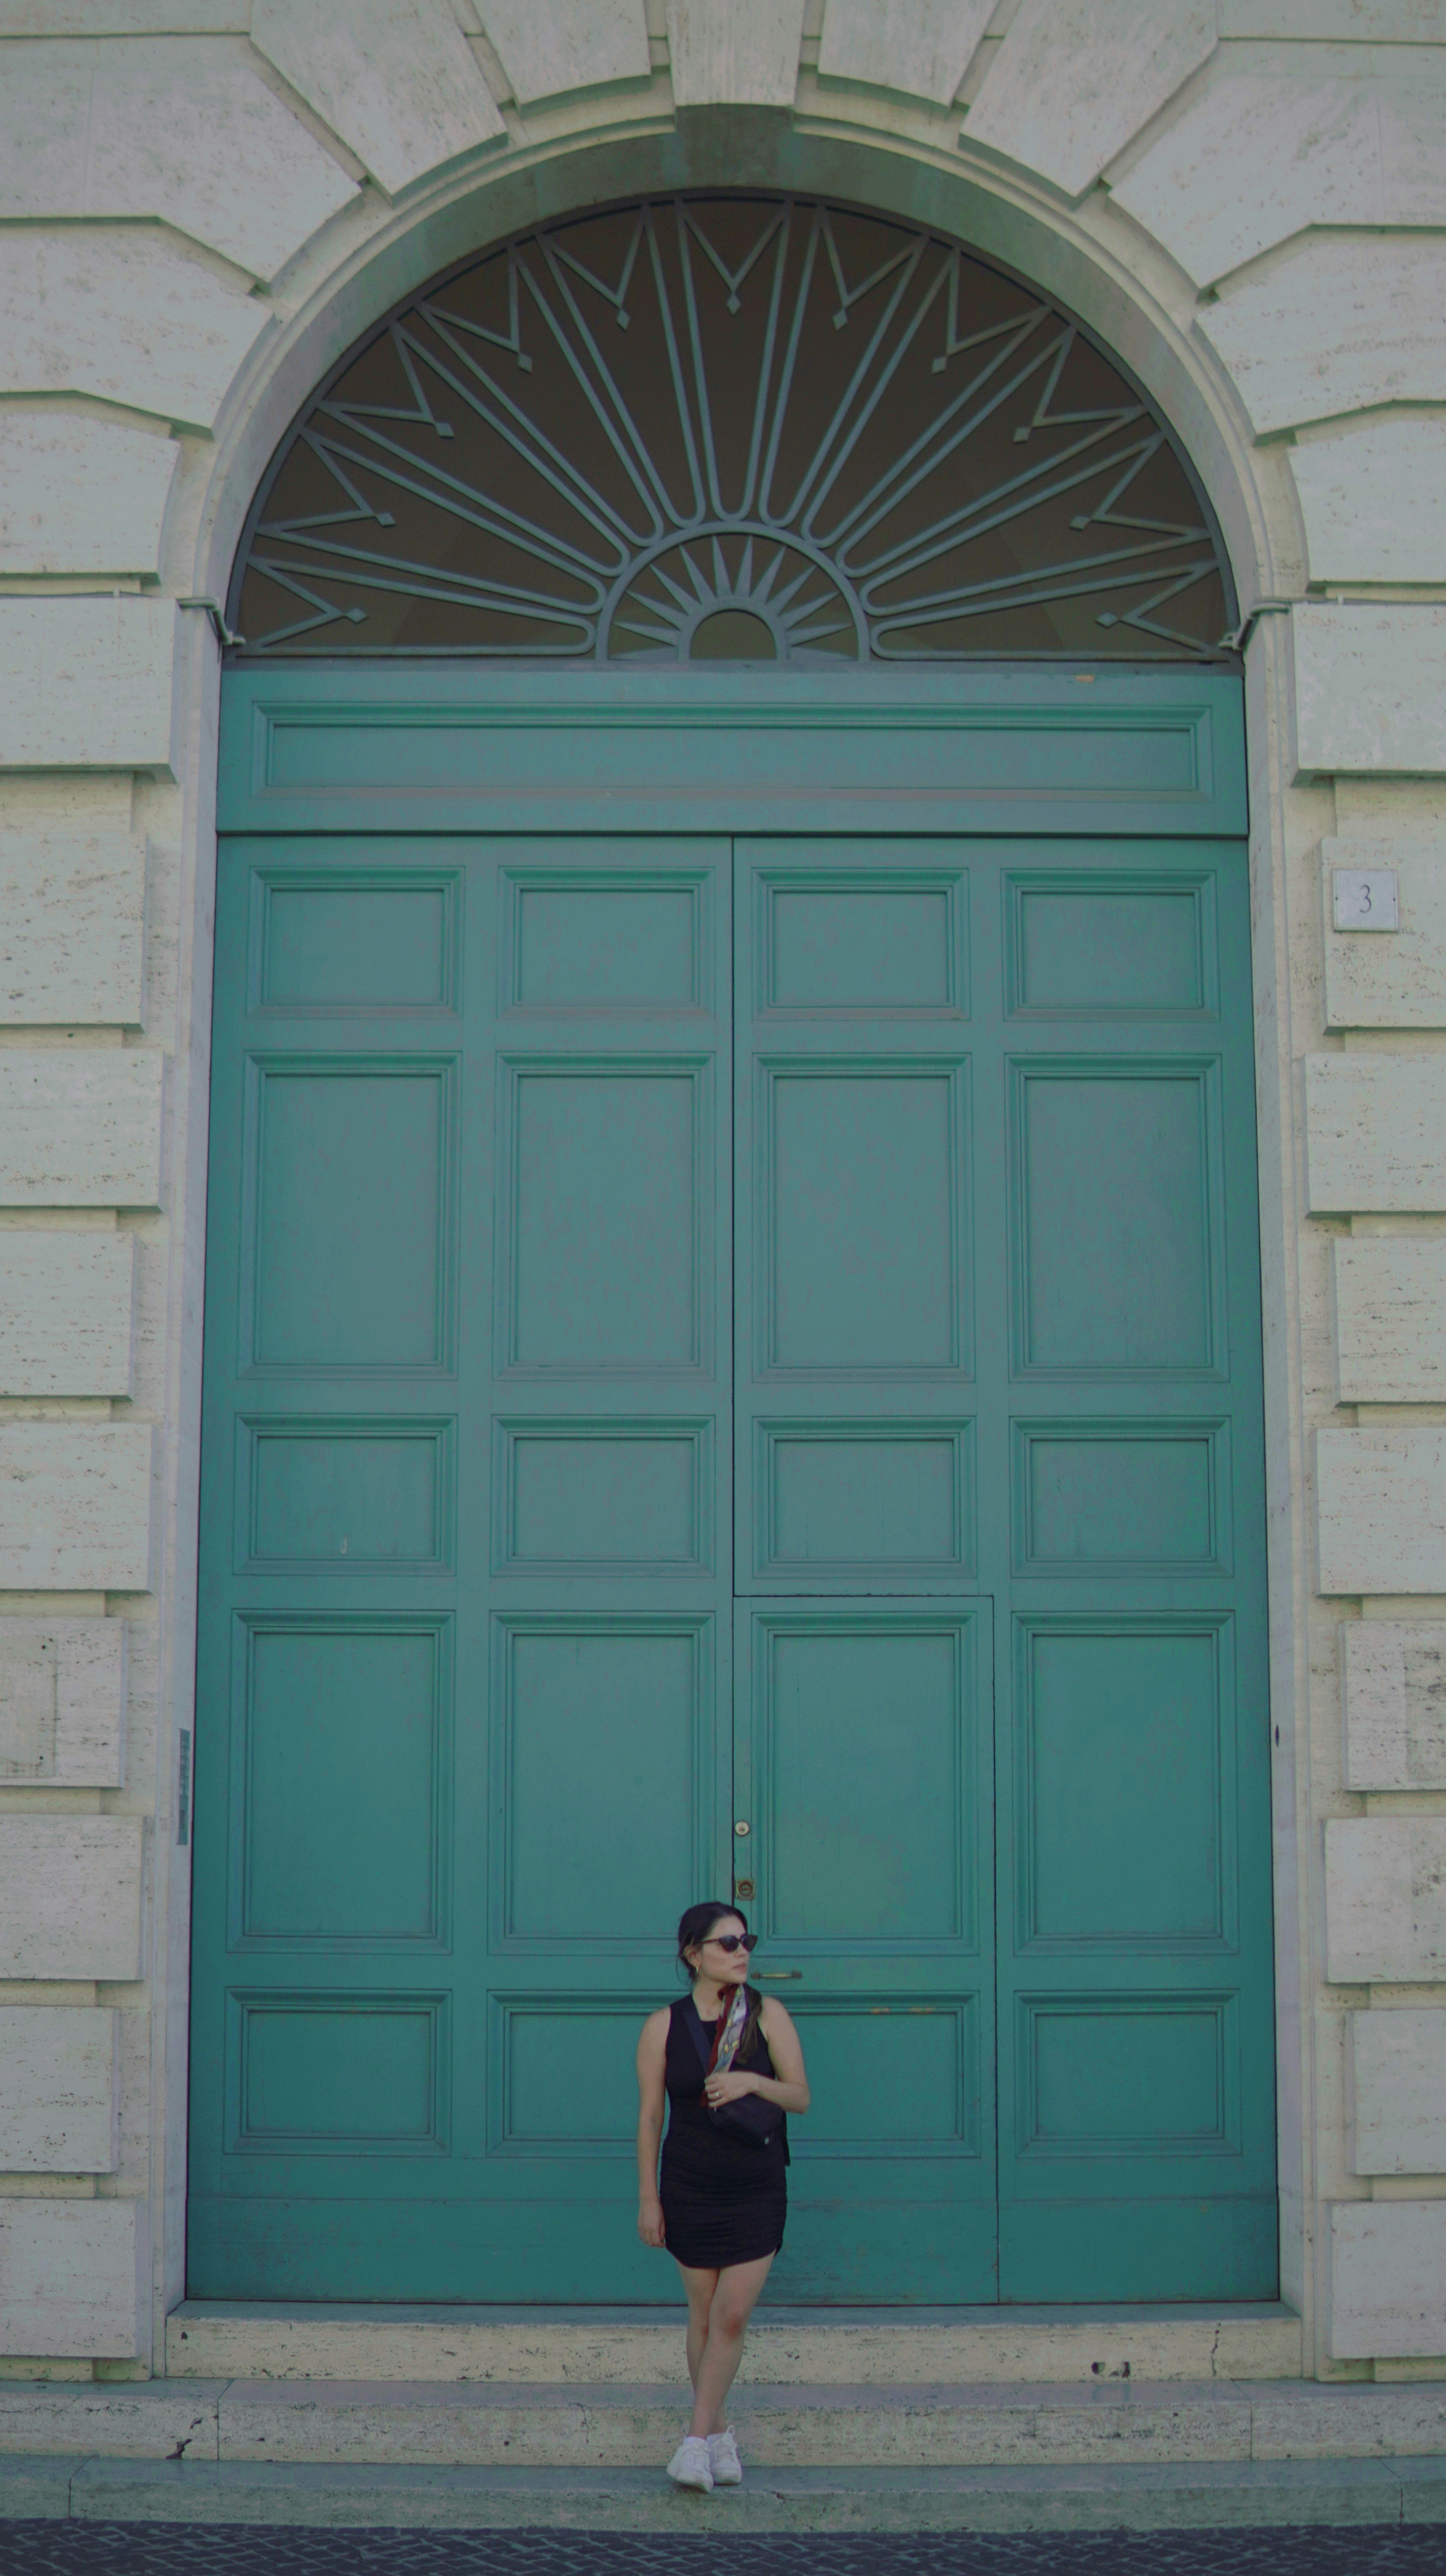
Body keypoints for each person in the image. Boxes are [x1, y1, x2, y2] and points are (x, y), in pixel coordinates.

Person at [635, 1899, 811, 2493]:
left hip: (756, 2186)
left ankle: (692, 2442)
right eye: (727, 1943)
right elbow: (650, 2117)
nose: (742, 1953)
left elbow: (800, 2096)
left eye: (746, 1941)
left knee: (731, 2315)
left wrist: (751, 2080)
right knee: (704, 2315)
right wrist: (649, 2198)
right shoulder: (663, 2025)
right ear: (694, 1954)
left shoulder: (766, 2014)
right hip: (689, 2185)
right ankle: (718, 2436)